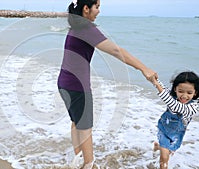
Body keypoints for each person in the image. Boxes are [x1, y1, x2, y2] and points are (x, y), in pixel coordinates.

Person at [57, 0, 158, 168]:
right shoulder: (87, 28)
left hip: (64, 83)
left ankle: (78, 160)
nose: (99, 11)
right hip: (77, 86)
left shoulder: (76, 27)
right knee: (85, 127)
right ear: (86, 8)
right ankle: (88, 164)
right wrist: (143, 68)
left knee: (76, 122)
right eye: (97, 7)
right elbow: (116, 51)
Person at [150, 71, 199, 169]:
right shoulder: (173, 97)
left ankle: (158, 147)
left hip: (176, 134)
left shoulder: (192, 107)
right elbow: (164, 90)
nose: (184, 96)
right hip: (164, 128)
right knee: (164, 159)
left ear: (195, 93)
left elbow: (174, 106)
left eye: (189, 93)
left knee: (170, 150)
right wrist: (155, 80)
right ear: (175, 89)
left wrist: (157, 84)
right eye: (181, 91)